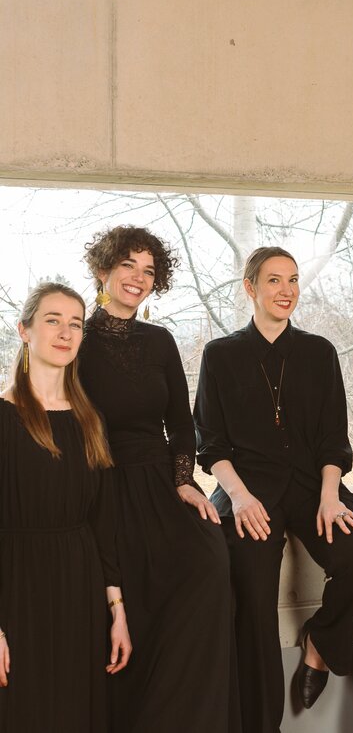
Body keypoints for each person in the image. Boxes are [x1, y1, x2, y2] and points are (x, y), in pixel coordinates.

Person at [194, 245, 353, 733]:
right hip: (245, 488)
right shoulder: (220, 355)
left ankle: (321, 644)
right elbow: (210, 442)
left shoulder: (319, 352)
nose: (287, 291)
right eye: (275, 280)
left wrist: (330, 493)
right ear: (250, 288)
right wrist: (237, 496)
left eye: (294, 280)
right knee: (252, 597)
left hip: (313, 484)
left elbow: (331, 439)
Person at [79, 226, 236, 733]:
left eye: (149, 271)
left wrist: (185, 481)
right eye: (128, 265)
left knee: (208, 564)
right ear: (103, 269)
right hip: (101, 484)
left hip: (160, 482)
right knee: (128, 604)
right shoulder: (76, 339)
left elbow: (181, 422)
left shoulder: (161, 340)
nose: (138, 278)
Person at [0, 283, 130, 732]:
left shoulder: (90, 421)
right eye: (52, 320)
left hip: (81, 588)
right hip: (16, 591)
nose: (65, 332)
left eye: (75, 323)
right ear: (24, 331)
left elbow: (104, 523)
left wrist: (117, 610)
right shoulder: (1, 417)